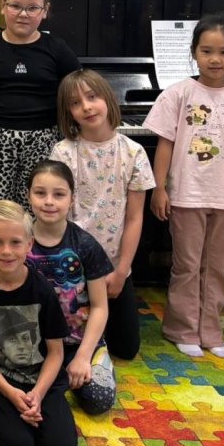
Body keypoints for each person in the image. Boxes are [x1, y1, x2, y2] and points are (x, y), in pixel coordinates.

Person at [147, 16, 224, 359]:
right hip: (187, 194)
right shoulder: (179, 93)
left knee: (216, 267)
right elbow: (165, 143)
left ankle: (210, 330)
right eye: (207, 51)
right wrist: (159, 188)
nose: (215, 59)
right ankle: (181, 329)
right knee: (187, 265)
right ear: (194, 53)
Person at [0, 0, 80, 271]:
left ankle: (37, 279)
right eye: (15, 6)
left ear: (45, 11)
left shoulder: (57, 49)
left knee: (39, 214)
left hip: (43, 143)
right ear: (3, 6)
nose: (23, 14)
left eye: (32, 8)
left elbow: (73, 93)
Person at [0, 200, 77, 446]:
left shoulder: (43, 290)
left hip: (43, 381)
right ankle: (15, 419)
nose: (6, 251)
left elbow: (56, 353)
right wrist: (10, 392)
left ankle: (36, 414)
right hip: (0, 381)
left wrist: (37, 394)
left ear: (29, 244)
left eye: (15, 242)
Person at [50, 69, 155, 361]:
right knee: (66, 343)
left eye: (92, 97)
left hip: (113, 267)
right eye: (75, 103)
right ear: (69, 112)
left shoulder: (134, 152)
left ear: (107, 98)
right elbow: (57, 216)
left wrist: (121, 271)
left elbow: (134, 218)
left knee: (126, 349)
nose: (86, 107)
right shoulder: (63, 152)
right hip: (71, 268)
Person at [26, 161, 115, 415]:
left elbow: (100, 307)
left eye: (59, 194)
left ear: (72, 199)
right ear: (28, 196)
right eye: (40, 193)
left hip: (78, 342)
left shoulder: (85, 245)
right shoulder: (19, 242)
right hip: (34, 344)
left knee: (98, 400)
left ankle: (95, 357)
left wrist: (83, 356)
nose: (49, 201)